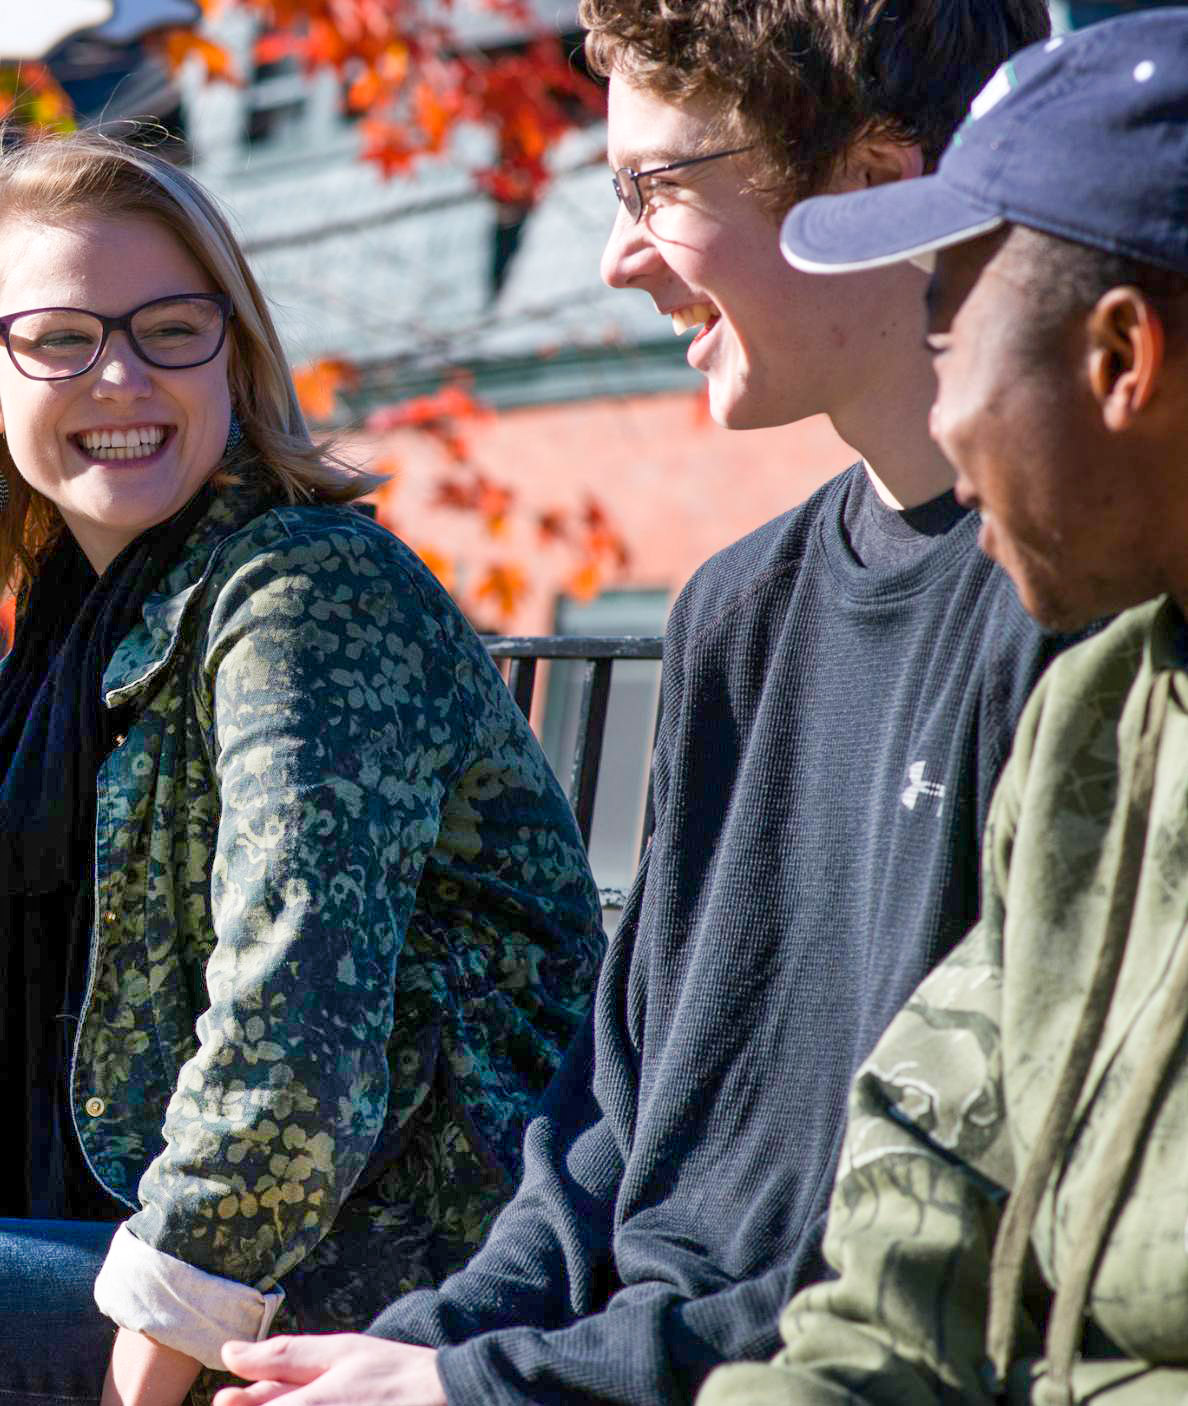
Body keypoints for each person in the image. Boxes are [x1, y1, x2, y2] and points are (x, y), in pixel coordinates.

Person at [0, 128, 606, 1406]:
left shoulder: (304, 589)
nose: (121, 376)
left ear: (234, 355)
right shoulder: (69, 649)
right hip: (210, 1254)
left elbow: (294, 997)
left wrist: (168, 1324)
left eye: (167, 329)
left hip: (400, 1279)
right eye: (59, 338)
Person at [213, 3, 1073, 1404]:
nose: (617, 259)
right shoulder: (736, 609)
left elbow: (938, 1268)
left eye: (658, 189)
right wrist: (433, 1343)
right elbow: (615, 1112)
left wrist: (477, 1387)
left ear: (872, 186)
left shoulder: (1068, 619)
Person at [698, 13, 1188, 1402]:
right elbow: (924, 1184)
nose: (943, 407)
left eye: (949, 319)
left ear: (1120, 359)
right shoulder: (1106, 705)